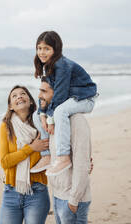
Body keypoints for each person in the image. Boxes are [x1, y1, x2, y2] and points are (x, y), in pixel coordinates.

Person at [31, 30, 97, 175]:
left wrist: (50, 119)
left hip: (84, 99)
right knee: (36, 115)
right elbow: (45, 91)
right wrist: (42, 113)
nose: (42, 52)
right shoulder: (47, 66)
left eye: (46, 48)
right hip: (70, 98)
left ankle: (63, 157)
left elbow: (59, 96)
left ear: (56, 50)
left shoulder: (62, 65)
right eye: (39, 48)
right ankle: (47, 155)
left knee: (60, 111)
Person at [33, 78, 92, 224]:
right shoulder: (51, 120)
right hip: (58, 195)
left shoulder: (76, 121)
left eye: (44, 91)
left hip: (72, 200)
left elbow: (82, 165)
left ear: (59, 93)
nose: (39, 95)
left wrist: (73, 201)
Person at [0, 85, 50, 224]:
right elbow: (5, 161)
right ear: (10, 106)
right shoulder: (6, 126)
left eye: (23, 94)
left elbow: (54, 152)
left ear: (31, 101)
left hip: (37, 192)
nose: (19, 96)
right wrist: (31, 148)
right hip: (11, 192)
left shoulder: (41, 124)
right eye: (14, 96)